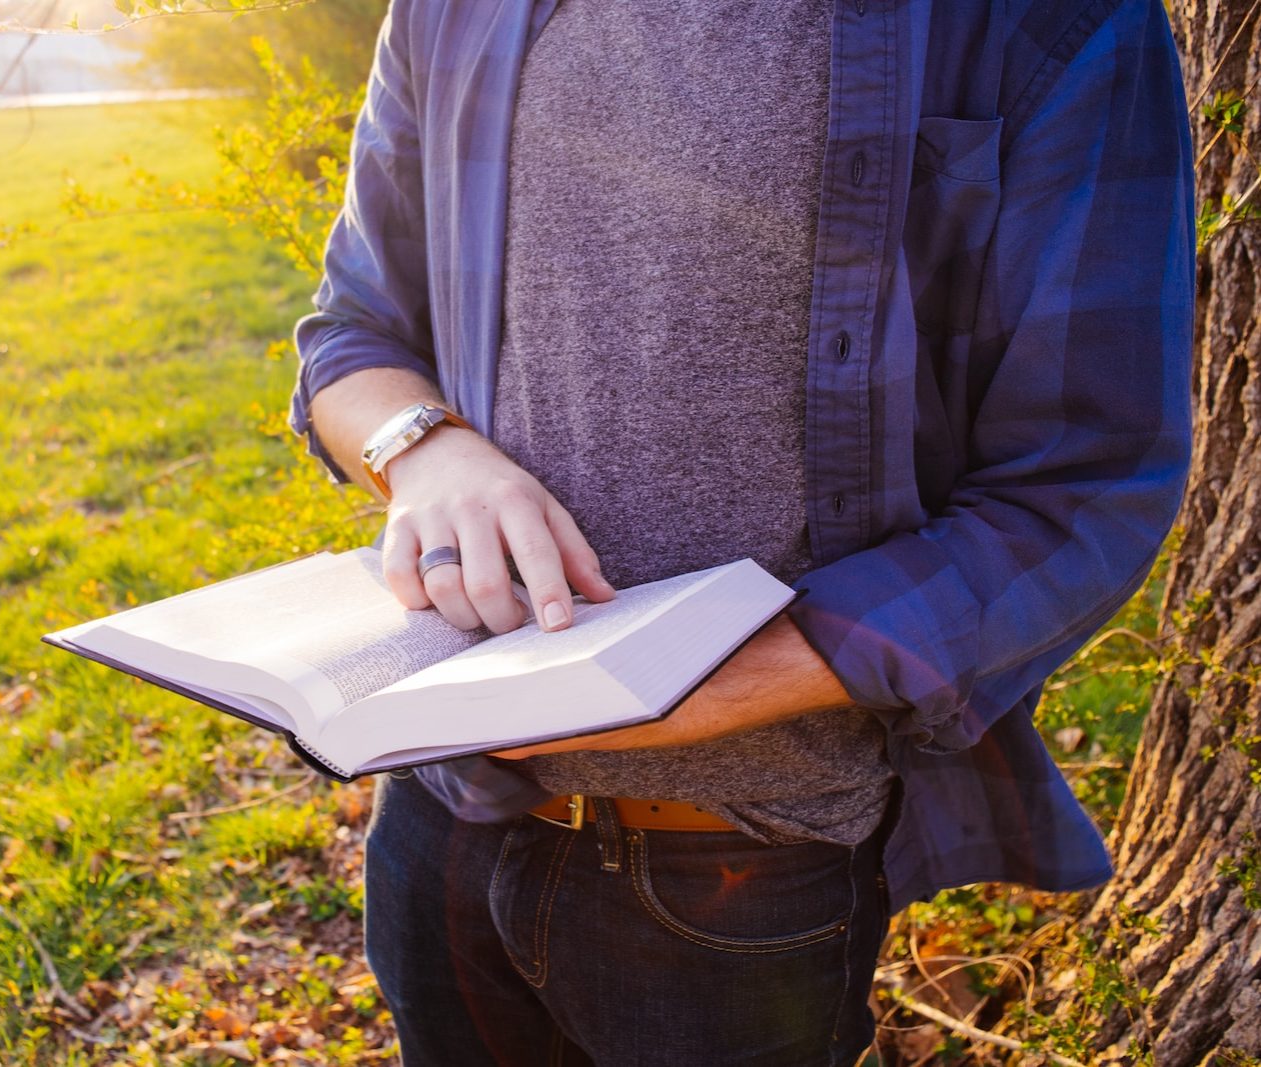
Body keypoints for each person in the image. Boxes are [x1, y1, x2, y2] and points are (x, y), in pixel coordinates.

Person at [289, 0, 1196, 1062]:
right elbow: (351, 335)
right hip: (443, 810)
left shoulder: (1048, 19)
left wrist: (707, 685)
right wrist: (426, 450)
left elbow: (1083, 487)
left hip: (742, 867)